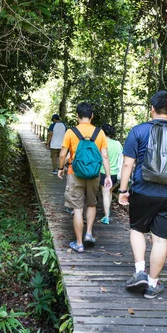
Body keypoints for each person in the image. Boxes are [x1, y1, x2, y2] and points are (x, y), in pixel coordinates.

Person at [117, 90, 167, 299]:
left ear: (151, 108)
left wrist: (123, 190)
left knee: (137, 229)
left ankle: (139, 271)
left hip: (142, 190)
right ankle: (151, 284)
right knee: (160, 240)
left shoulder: (138, 131)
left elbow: (127, 163)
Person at [57, 102, 112, 253]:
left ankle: (79, 243)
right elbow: (105, 156)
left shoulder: (71, 132)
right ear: (92, 116)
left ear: (77, 116)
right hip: (94, 174)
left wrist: (60, 169)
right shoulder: (99, 133)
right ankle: (89, 233)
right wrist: (107, 176)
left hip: (75, 173)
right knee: (92, 204)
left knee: (77, 208)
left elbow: (63, 154)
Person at [99, 124, 123, 225]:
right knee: (109, 193)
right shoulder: (117, 144)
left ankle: (106, 217)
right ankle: (107, 211)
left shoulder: (102, 143)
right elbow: (121, 157)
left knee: (105, 194)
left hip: (104, 172)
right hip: (114, 173)